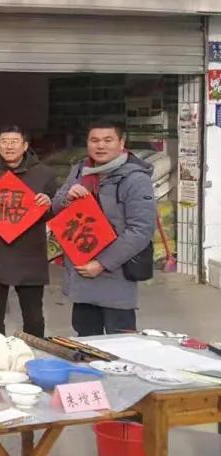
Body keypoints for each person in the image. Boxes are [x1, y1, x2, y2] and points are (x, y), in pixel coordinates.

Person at [52, 121, 156, 336]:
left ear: (121, 143)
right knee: (86, 339)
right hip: (82, 272)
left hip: (116, 274)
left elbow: (140, 231)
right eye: (94, 140)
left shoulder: (135, 179)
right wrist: (68, 198)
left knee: (121, 342)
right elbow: (55, 206)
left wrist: (102, 263)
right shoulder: (80, 171)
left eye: (108, 140)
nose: (100, 146)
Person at [0, 126, 57, 338]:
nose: (9, 146)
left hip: (30, 253)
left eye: (14, 141)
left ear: (25, 146)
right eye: (4, 141)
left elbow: (56, 212)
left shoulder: (44, 173)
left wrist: (49, 204)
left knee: (33, 316)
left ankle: (34, 353)